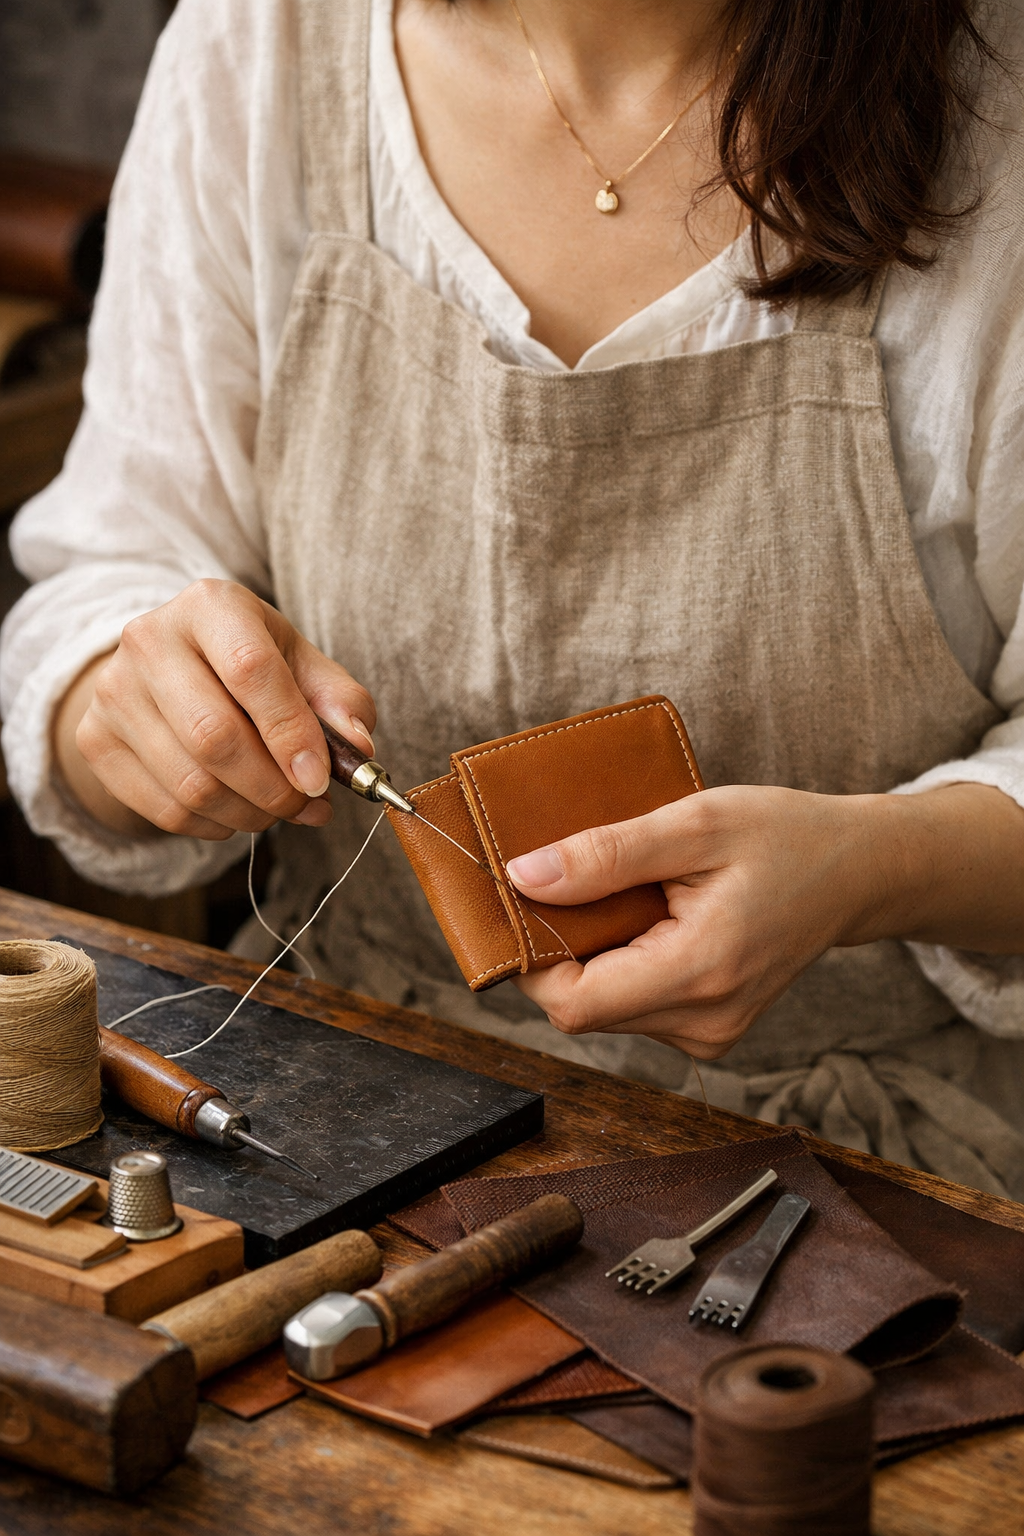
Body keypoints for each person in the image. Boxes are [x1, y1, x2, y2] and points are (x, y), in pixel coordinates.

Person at [3, 0, 1024, 1196]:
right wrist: (120, 703)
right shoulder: (264, 47)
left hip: (869, 1175)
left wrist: (872, 869)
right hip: (338, 1111)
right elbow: (109, 570)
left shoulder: (992, 112)